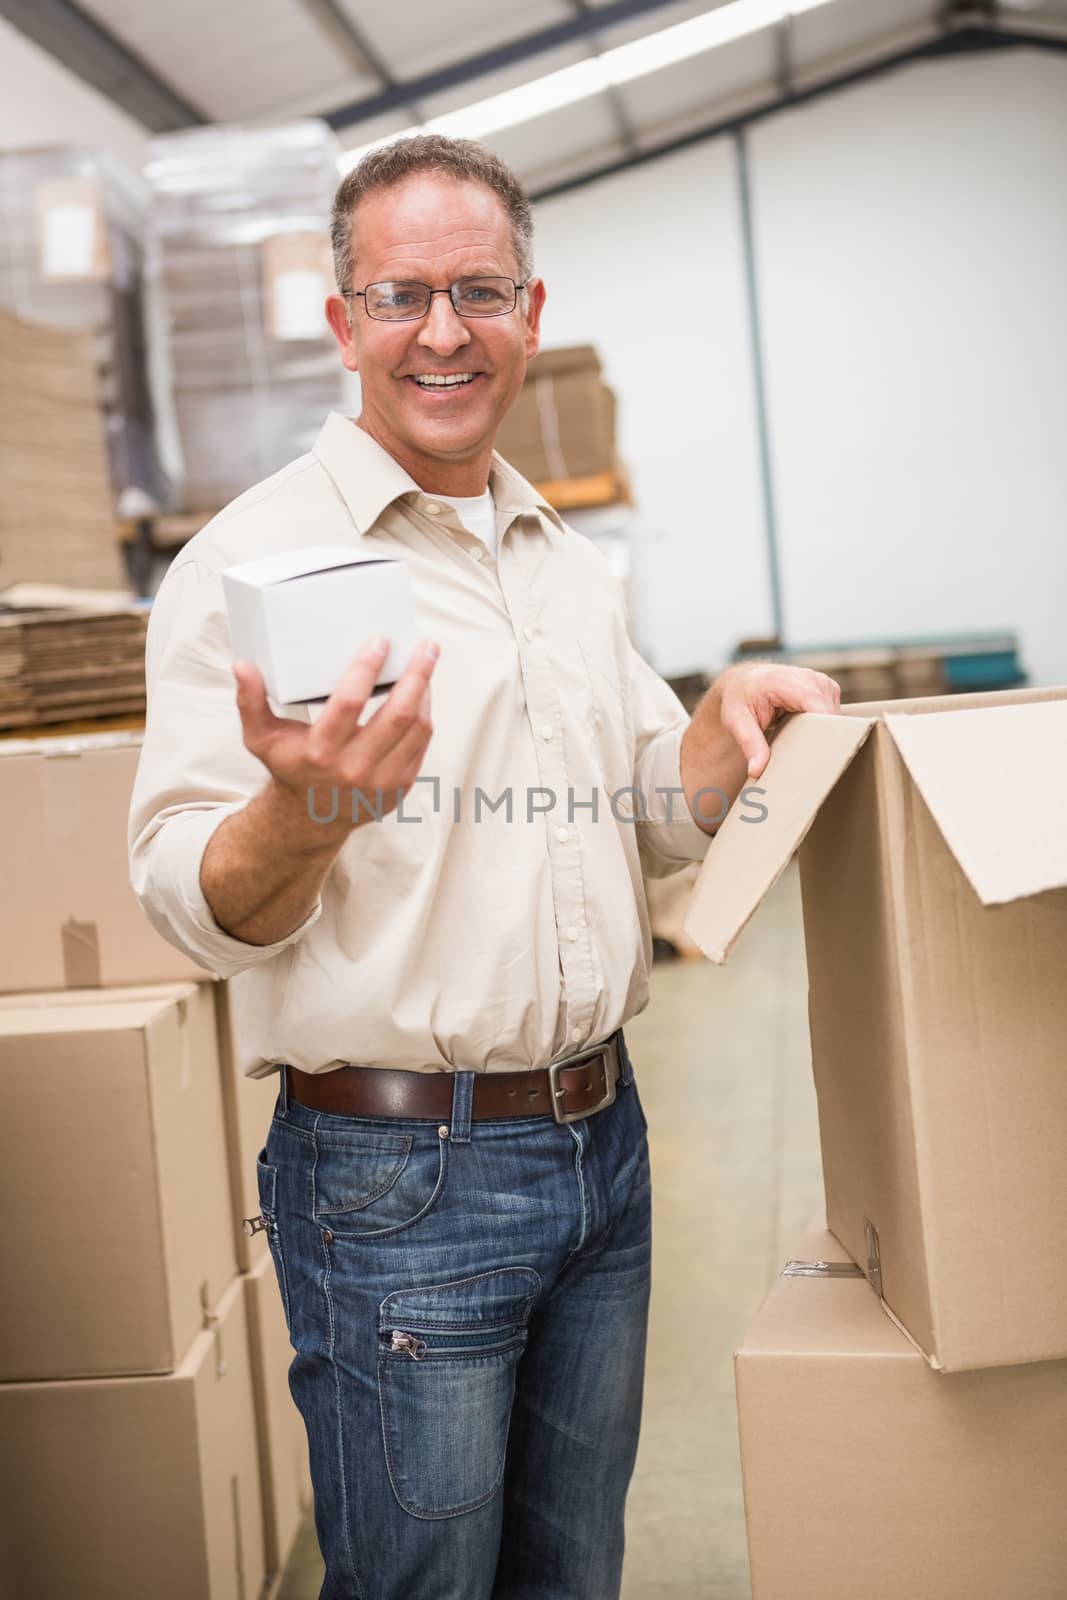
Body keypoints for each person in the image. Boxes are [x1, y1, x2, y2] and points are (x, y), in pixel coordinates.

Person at [129, 134, 840, 1600]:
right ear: (342, 325)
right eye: (399, 297)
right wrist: (306, 812)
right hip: (401, 1180)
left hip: (604, 1145)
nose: (442, 332)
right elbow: (187, 897)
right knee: (421, 1587)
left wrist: (724, 726)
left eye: (478, 290)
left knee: (573, 1568)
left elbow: (644, 804)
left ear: (530, 308)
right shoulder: (251, 567)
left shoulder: (552, 555)